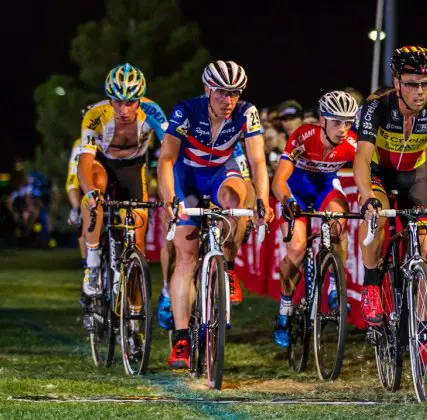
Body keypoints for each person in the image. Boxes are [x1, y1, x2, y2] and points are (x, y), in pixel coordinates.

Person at [158, 60, 274, 368]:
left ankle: (229, 265)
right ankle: (182, 339)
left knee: (239, 198)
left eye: (235, 93)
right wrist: (170, 198)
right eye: (222, 93)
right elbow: (167, 158)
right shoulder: (187, 110)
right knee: (186, 256)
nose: (229, 101)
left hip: (222, 170)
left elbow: (258, 160)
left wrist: (263, 199)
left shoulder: (246, 112)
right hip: (188, 176)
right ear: (208, 89)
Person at [354, 46, 427, 338]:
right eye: (412, 84)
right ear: (397, 83)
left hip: (414, 175)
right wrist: (366, 194)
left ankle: (422, 324)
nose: (420, 91)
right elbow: (361, 156)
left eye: (426, 83)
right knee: (377, 216)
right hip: (378, 172)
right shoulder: (377, 104)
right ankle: (371, 285)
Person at [271, 91, 359, 348]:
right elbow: (279, 181)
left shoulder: (352, 142)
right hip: (296, 189)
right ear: (323, 120)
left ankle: (334, 287)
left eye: (348, 122)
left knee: (338, 221)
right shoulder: (303, 136)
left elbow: (367, 172)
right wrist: (288, 202)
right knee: (297, 249)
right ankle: (285, 309)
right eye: (337, 122)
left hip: (325, 187)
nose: (343, 129)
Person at [78, 63, 168, 313]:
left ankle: (135, 316)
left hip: (133, 169)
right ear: (110, 99)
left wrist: (171, 191)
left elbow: (170, 154)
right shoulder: (95, 115)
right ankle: (93, 264)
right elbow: (85, 162)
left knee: (137, 245)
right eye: (117, 102)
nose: (124, 109)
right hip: (102, 165)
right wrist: (90, 192)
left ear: (140, 100)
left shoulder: (153, 112)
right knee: (93, 194)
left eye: (130, 102)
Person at [65, 137, 86, 269]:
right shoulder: (80, 143)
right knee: (84, 222)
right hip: (86, 187)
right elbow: (73, 178)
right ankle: (88, 267)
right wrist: (76, 207)